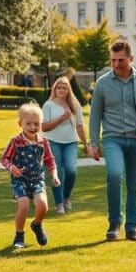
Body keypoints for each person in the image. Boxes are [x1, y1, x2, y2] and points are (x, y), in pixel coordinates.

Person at [88, 38, 136, 242]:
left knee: (135, 185)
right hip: (113, 139)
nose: (116, 64)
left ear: (131, 58)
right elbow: (95, 115)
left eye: (121, 60)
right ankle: (114, 223)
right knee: (115, 174)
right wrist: (94, 143)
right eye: (113, 60)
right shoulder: (103, 83)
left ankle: (132, 228)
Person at [0, 103, 58, 250]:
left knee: (43, 206)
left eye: (36, 124)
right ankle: (19, 235)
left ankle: (36, 225)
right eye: (29, 124)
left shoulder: (43, 142)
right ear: (20, 124)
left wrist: (54, 175)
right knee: (24, 204)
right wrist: (12, 168)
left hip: (37, 179)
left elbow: (50, 160)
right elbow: (4, 158)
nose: (33, 127)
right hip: (20, 179)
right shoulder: (15, 142)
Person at [41, 76, 87, 215]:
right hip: (52, 142)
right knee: (57, 172)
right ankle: (59, 203)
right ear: (55, 89)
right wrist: (60, 119)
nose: (61, 90)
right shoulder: (48, 105)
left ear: (68, 90)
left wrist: (85, 143)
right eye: (59, 87)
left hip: (70, 142)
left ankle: (66, 197)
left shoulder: (74, 104)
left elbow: (79, 125)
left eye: (64, 87)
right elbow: (44, 127)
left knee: (71, 170)